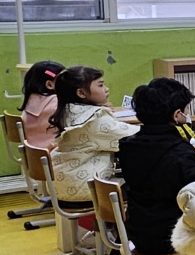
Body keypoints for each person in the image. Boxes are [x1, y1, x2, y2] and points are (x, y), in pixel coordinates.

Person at [116, 78, 195, 255]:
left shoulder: (129, 145)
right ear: (177, 115)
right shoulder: (180, 155)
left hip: (139, 231)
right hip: (170, 236)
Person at [49, 66, 138, 204]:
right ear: (81, 93)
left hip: (63, 185)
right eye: (100, 85)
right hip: (87, 189)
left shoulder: (67, 111)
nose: (106, 89)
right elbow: (134, 136)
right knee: (149, 185)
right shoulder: (94, 119)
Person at [18, 60, 65, 149]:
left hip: (32, 153)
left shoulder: (31, 99)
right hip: (52, 154)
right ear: (50, 84)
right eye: (64, 82)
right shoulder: (56, 103)